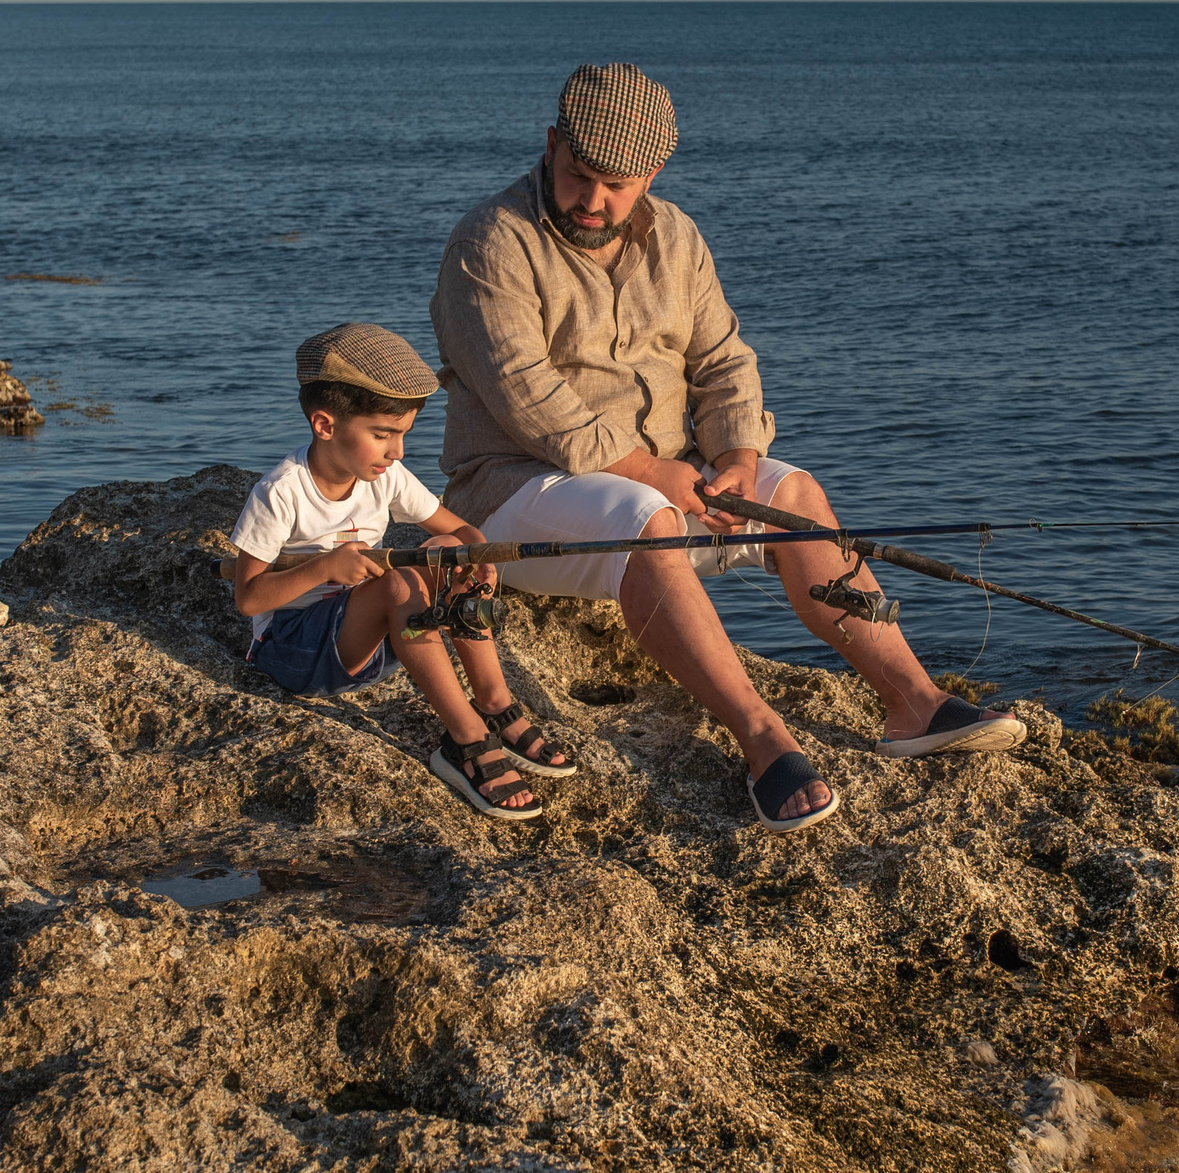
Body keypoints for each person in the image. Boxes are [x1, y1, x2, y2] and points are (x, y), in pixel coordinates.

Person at [430, 63, 1023, 837]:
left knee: (795, 493)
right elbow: (530, 401)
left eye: (618, 184)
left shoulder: (676, 235)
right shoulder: (491, 243)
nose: (594, 201)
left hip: (671, 483)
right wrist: (654, 472)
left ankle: (914, 702)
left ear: (653, 172)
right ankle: (762, 738)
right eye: (578, 176)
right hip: (516, 491)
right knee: (650, 517)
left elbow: (724, 362)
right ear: (550, 146)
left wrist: (737, 458)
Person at [226, 323, 575, 822]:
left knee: (449, 551)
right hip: (294, 654)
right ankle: (465, 740)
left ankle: (494, 702)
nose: (397, 453)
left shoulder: (387, 477)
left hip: (377, 640)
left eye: (403, 435)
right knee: (401, 581)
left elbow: (463, 531)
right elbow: (249, 600)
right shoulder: (280, 493)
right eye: (381, 435)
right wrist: (327, 565)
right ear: (325, 425)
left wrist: (475, 561)